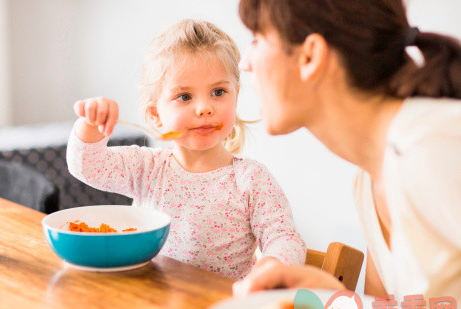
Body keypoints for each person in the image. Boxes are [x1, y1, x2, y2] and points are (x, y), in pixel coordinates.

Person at [232, 0, 461, 309]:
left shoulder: (431, 151)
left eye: (257, 40)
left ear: (310, 56)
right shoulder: (370, 179)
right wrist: (334, 298)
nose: (244, 63)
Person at [66, 19, 306, 279]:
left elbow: (286, 239)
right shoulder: (146, 168)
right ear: (156, 114)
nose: (204, 107)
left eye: (218, 91)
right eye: (185, 97)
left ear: (235, 95)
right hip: (154, 305)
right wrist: (90, 123)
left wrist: (272, 265)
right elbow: (86, 164)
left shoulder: (251, 180)